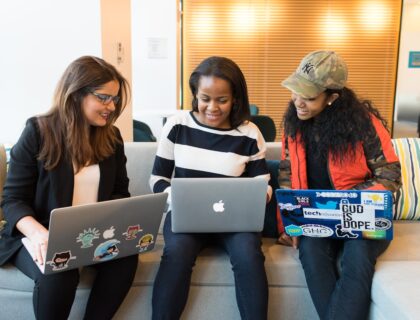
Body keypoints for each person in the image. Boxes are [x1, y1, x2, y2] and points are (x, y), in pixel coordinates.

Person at [0, 56, 138, 320]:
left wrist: (118, 227)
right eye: (104, 98)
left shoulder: (112, 137)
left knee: (125, 261)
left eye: (115, 99)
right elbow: (13, 199)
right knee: (60, 270)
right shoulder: (37, 131)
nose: (112, 106)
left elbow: (120, 192)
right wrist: (40, 235)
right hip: (37, 236)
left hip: (92, 235)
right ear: (76, 94)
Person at [276, 50, 401, 320]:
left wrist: (346, 202)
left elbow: (389, 175)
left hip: (364, 217)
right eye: (295, 91)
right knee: (310, 252)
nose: (298, 101)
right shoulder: (294, 125)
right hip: (317, 217)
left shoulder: (364, 125)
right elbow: (287, 175)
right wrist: (290, 223)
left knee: (356, 258)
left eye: (308, 96)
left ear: (332, 98)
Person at [150, 56, 271, 320]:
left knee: (249, 255)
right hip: (186, 217)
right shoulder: (177, 125)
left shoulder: (249, 133)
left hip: (235, 220)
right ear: (195, 95)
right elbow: (158, 178)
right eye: (205, 98)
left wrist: (262, 192)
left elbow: (262, 180)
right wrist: (177, 198)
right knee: (176, 254)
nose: (212, 107)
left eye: (222, 100)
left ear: (236, 98)